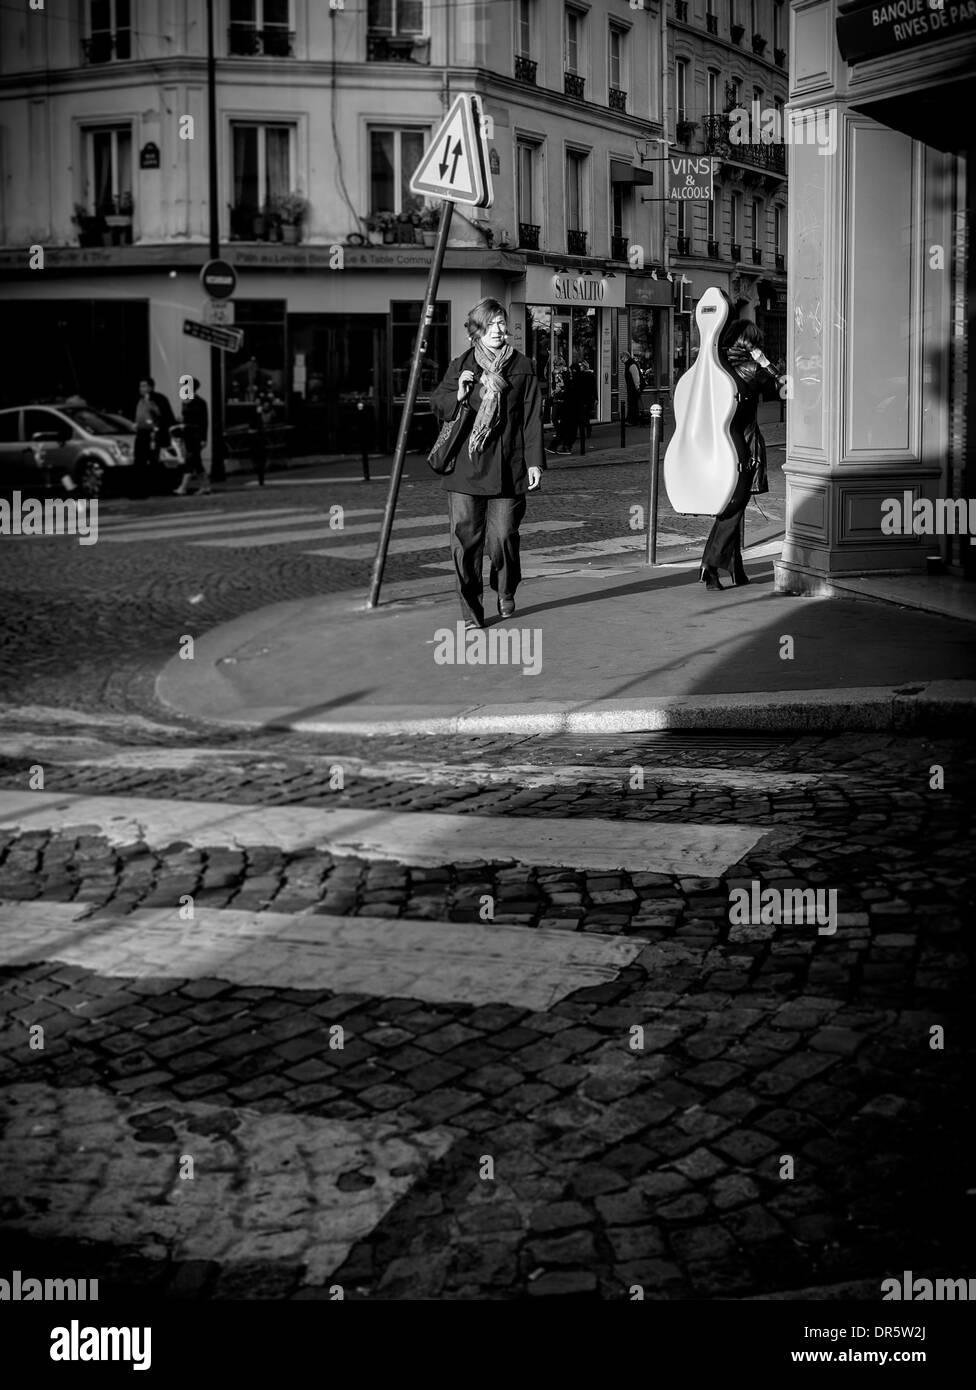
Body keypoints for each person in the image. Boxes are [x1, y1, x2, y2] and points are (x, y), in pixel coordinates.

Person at [430, 298, 544, 628]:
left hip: (509, 466)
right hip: (465, 469)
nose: (498, 330)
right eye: (490, 324)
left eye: (501, 323)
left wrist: (535, 462)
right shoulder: (462, 364)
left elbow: (532, 417)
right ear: (477, 330)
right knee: (465, 544)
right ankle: (470, 610)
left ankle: (505, 588)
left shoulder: (522, 366)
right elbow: (438, 403)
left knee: (504, 536)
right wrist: (460, 395)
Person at [699, 320, 784, 590]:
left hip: (717, 444)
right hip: (743, 444)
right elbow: (782, 389)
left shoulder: (718, 366)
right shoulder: (752, 368)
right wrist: (765, 361)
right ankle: (709, 565)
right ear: (750, 344)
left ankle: (735, 569)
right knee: (734, 507)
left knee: (730, 504)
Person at [132, 377, 174, 492]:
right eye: (141, 386)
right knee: (140, 459)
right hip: (141, 433)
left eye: (144, 386)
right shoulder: (140, 400)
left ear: (150, 387)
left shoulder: (158, 399)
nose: (141, 388)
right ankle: (140, 487)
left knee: (153, 460)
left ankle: (154, 486)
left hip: (154, 434)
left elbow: (166, 417)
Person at [173, 379, 211, 496]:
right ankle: (205, 486)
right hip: (187, 434)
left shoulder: (200, 402)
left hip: (196, 434)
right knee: (197, 461)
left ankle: (183, 487)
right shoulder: (185, 402)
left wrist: (204, 438)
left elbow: (204, 421)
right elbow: (185, 417)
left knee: (191, 460)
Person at [577, 358, 598, 439]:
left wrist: (596, 398)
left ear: (584, 366)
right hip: (581, 398)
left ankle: (588, 429)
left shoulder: (590, 375)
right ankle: (585, 430)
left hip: (588, 398)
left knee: (584, 416)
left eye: (581, 366)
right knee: (582, 416)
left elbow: (594, 387)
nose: (580, 367)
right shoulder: (579, 375)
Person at [621, 352, 643, 425]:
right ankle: (631, 419)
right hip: (630, 388)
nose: (621, 359)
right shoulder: (628, 364)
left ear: (626, 357)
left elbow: (636, 377)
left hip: (633, 388)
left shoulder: (631, 364)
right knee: (631, 403)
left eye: (622, 357)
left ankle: (633, 420)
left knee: (633, 404)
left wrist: (637, 387)